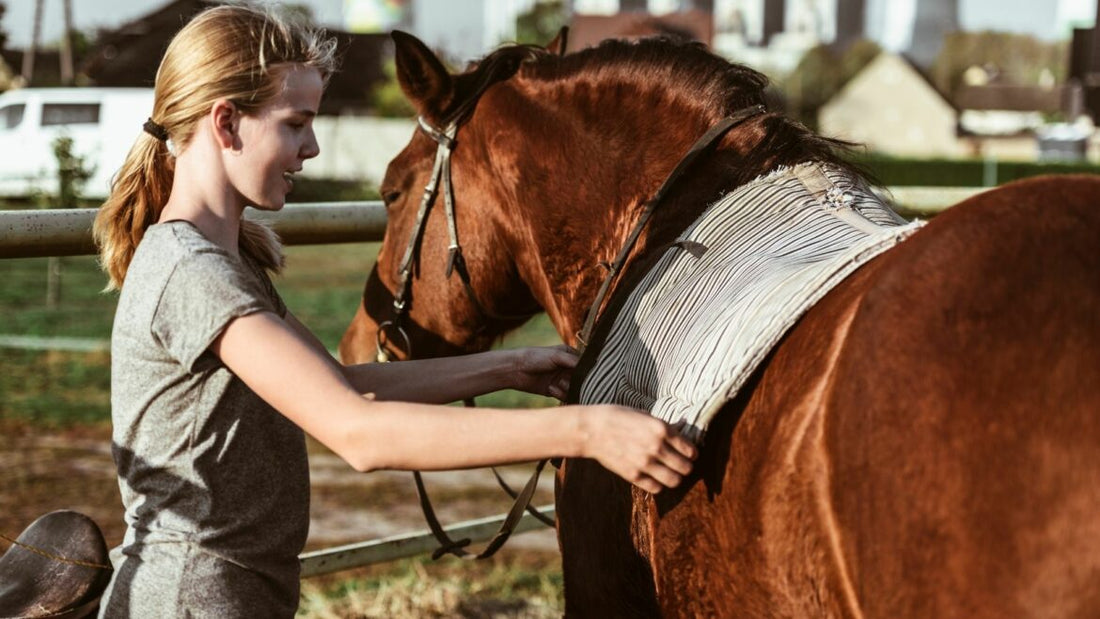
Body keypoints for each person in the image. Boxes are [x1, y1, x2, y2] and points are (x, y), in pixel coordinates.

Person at [91, 4, 696, 617]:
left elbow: (342, 386)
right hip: (190, 599)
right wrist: (587, 431)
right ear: (226, 122)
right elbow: (357, 432)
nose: (313, 146)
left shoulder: (221, 261)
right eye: (296, 123)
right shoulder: (193, 272)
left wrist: (510, 369)